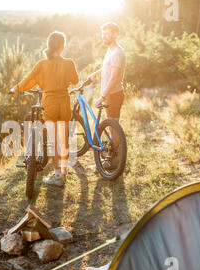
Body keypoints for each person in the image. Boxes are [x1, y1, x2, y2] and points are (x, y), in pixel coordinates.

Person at [9, 31, 79, 187]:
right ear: (62, 46)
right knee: (63, 140)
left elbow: (28, 80)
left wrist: (16, 89)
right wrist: (65, 79)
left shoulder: (42, 64)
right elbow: (75, 80)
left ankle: (58, 175)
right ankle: (64, 171)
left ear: (49, 45)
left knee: (54, 142)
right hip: (64, 103)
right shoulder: (69, 63)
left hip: (50, 104)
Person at [87, 22, 126, 169]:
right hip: (111, 94)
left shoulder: (117, 53)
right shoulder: (111, 50)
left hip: (113, 95)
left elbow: (115, 77)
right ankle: (116, 157)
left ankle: (115, 161)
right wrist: (95, 74)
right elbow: (107, 68)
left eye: (108, 33)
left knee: (113, 128)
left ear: (115, 34)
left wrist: (103, 96)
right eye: (103, 33)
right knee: (112, 127)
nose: (104, 36)